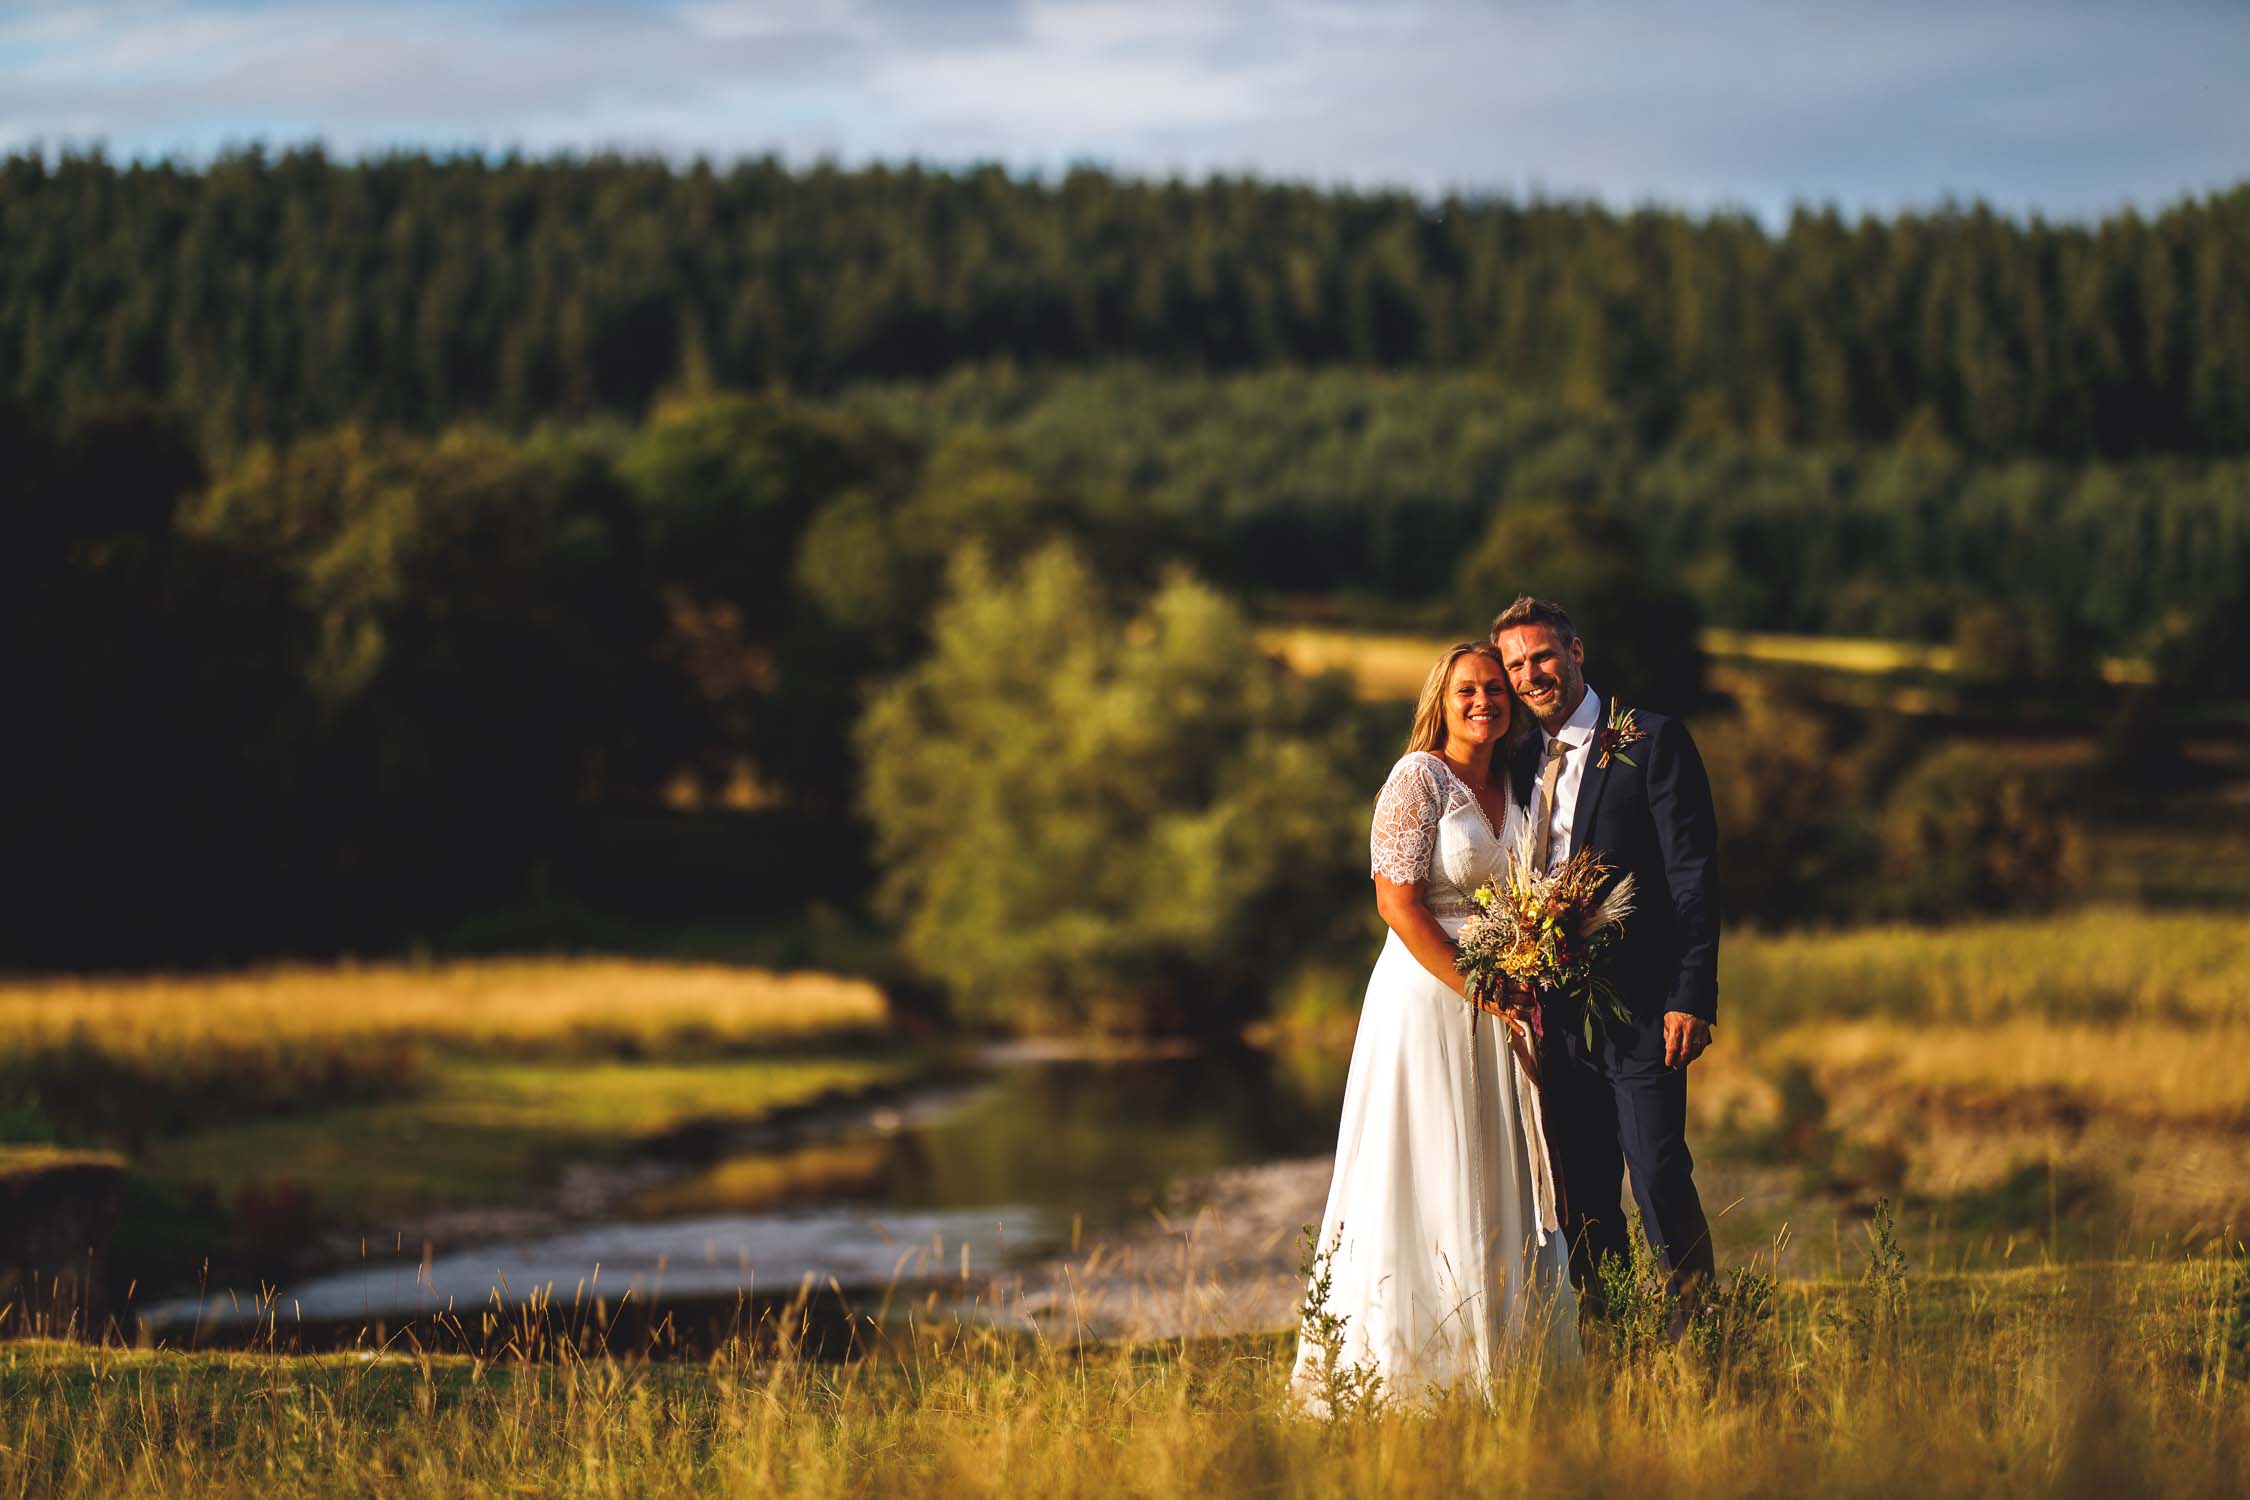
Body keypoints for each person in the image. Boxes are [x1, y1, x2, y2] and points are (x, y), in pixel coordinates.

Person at [1290, 642, 1576, 1411]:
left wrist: (1522, 977)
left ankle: (1511, 1370)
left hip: (1506, 1005)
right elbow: (1399, 905)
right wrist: (1480, 986)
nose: (1485, 700)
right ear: (1440, 704)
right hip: (1429, 1000)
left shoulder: (1518, 785)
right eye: (1467, 691)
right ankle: (1411, 1373)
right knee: (1426, 1165)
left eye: (1495, 689)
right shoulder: (1417, 780)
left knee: (1497, 1166)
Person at [1490, 596, 1720, 1321]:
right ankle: (1612, 1341)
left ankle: (1698, 1340)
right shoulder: (1517, 759)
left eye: (1543, 657)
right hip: (1553, 1016)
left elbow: (1693, 876)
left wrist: (1693, 994)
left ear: (1576, 651)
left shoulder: (1651, 740)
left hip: (1645, 1005)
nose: (1532, 676)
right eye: (1515, 666)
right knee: (1584, 1192)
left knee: (1656, 1171)